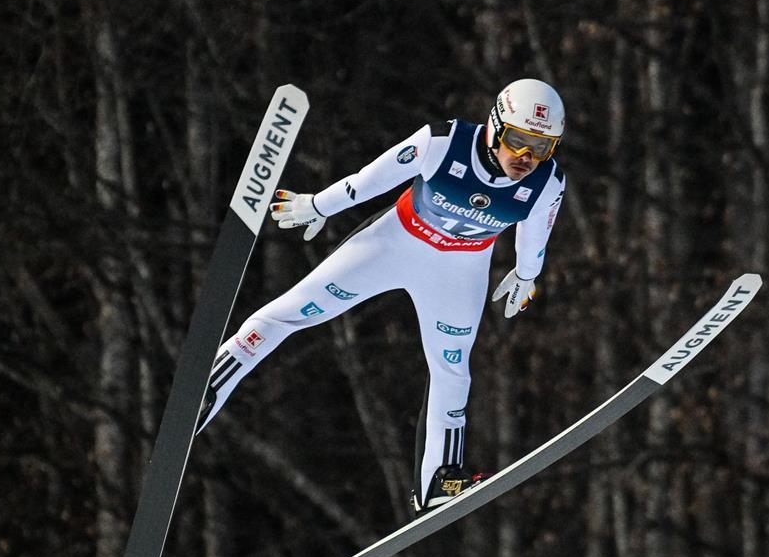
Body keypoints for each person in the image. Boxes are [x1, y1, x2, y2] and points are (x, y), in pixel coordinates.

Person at [198, 78, 567, 516]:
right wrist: (318, 205)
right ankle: (210, 385)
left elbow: (536, 234)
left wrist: (526, 275)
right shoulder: (443, 142)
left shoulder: (547, 182)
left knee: (452, 370)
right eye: (519, 140)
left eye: (541, 147)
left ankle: (439, 478)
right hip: (393, 245)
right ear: (495, 127)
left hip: (459, 271)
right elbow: (369, 180)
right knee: (291, 312)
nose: (526, 157)